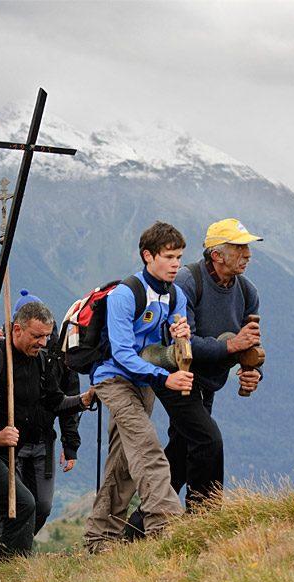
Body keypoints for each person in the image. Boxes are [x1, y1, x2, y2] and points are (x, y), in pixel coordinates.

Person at [82, 221, 193, 552]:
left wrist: (178, 341)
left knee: (123, 462)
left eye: (179, 257)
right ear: (148, 256)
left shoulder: (177, 296)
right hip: (113, 377)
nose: (176, 264)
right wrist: (164, 378)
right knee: (147, 448)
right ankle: (166, 528)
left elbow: (174, 348)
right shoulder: (125, 294)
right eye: (169, 256)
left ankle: (99, 539)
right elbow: (122, 353)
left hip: (144, 379)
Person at [0, 301, 94, 562]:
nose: (43, 342)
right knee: (23, 504)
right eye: (37, 336)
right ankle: (10, 567)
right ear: (16, 330)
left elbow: (54, 401)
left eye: (47, 336)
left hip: (6, 450)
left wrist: (83, 400)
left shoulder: (41, 361)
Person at [158, 219, 263, 509]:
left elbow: (250, 343)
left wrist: (253, 370)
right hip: (176, 379)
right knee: (209, 442)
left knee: (181, 454)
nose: (248, 255)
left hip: (208, 383)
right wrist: (231, 346)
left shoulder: (247, 291)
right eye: (239, 248)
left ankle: (138, 528)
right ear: (216, 255)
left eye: (247, 248)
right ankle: (204, 521)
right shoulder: (186, 282)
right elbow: (182, 345)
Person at [9, 289, 83, 535]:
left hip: (43, 438)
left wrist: (70, 443)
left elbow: (65, 399)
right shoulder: (6, 354)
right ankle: (4, 553)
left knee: (42, 505)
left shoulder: (61, 355)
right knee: (14, 503)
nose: (42, 341)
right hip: (13, 439)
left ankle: (20, 546)